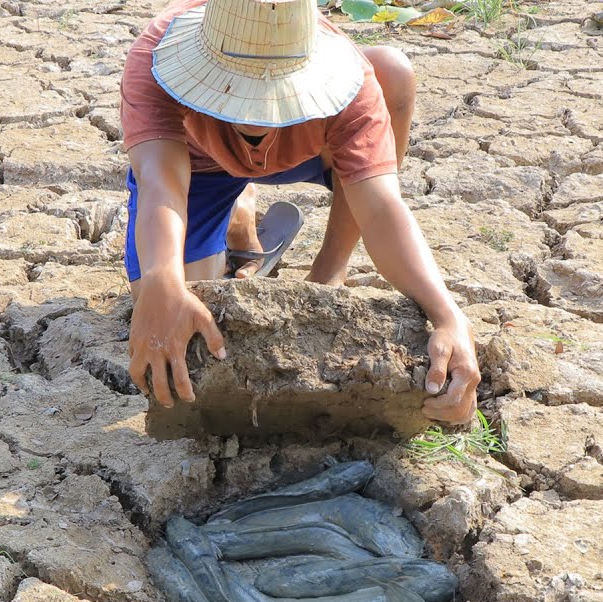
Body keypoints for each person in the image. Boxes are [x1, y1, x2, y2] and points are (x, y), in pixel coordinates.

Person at [120, 0, 480, 423]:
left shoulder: (352, 85)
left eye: (269, 96)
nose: (254, 113)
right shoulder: (156, 60)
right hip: (199, 164)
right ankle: (235, 208)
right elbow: (162, 186)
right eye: (235, 91)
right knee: (180, 319)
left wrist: (448, 314)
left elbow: (381, 207)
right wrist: (164, 282)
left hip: (307, 146)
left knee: (390, 70)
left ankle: (330, 270)